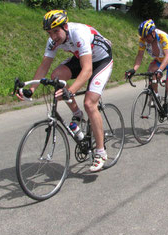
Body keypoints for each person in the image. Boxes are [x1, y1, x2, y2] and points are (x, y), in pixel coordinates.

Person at [16, 10, 113, 172]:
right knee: (56, 76)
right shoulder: (53, 40)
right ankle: (77, 114)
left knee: (90, 103)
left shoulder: (79, 33)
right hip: (81, 57)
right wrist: (31, 89)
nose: (53, 36)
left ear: (66, 27)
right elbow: (45, 66)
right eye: (49, 32)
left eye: (56, 31)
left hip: (101, 60)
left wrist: (72, 91)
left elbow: (87, 70)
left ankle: (101, 152)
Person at [125, 19, 168, 124]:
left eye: (147, 37)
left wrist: (160, 70)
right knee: (151, 72)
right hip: (159, 60)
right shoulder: (143, 40)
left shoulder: (162, 36)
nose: (145, 40)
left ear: (153, 32)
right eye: (144, 37)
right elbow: (140, 55)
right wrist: (134, 69)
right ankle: (156, 96)